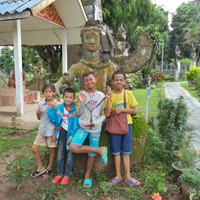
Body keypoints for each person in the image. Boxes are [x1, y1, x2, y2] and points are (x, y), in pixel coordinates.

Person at [70, 71, 108, 188]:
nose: (89, 82)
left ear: (95, 80)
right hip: (83, 127)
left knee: (91, 154)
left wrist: (96, 122)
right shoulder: (82, 94)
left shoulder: (101, 96)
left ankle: (87, 177)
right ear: (84, 83)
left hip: (95, 128)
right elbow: (79, 113)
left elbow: (105, 114)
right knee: (73, 147)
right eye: (86, 80)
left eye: (91, 79)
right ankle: (101, 150)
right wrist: (81, 102)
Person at [104, 71, 141, 186]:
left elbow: (134, 110)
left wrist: (122, 110)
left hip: (127, 126)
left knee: (126, 152)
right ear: (113, 82)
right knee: (116, 152)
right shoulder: (110, 95)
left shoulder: (128, 94)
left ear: (124, 82)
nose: (119, 82)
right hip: (114, 127)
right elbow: (107, 114)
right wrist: (109, 99)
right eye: (116, 80)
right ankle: (118, 175)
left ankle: (128, 176)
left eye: (121, 80)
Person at [48, 88, 79, 185]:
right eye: (66, 97)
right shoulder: (59, 108)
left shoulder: (75, 110)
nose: (68, 99)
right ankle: (59, 174)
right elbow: (53, 120)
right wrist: (52, 109)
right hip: (61, 133)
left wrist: (72, 137)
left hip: (71, 135)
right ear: (63, 97)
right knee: (60, 154)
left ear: (73, 98)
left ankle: (66, 175)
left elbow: (76, 125)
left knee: (70, 155)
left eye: (70, 97)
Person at [31, 83, 60, 178]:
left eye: (50, 92)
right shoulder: (40, 104)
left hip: (52, 131)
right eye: (46, 92)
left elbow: (59, 121)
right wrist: (38, 113)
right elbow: (39, 118)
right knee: (34, 149)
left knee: (51, 150)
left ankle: (50, 168)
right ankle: (40, 167)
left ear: (53, 92)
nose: (48, 94)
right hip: (42, 130)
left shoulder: (58, 105)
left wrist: (55, 133)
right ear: (43, 93)